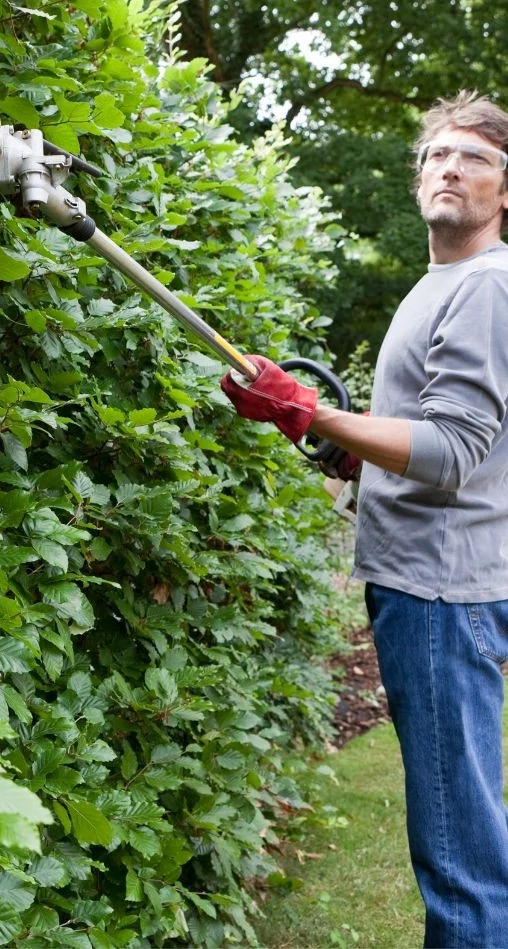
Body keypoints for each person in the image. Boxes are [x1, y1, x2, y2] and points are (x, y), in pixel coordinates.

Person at [222, 90, 508, 947]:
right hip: (427, 584)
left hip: (439, 594)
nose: (451, 167)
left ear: (506, 190)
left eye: (476, 158)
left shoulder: (487, 289)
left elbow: (453, 448)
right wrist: (348, 451)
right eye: (437, 156)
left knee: (459, 856)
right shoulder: (446, 285)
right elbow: (435, 439)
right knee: (463, 835)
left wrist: (309, 413)